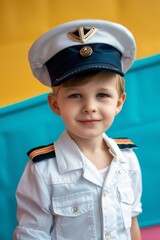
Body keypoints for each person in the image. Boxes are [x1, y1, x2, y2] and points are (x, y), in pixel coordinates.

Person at [13, 19, 142, 240]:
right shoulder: (43, 171)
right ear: (55, 104)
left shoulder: (127, 158)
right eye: (75, 95)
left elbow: (131, 220)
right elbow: (32, 234)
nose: (90, 107)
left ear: (119, 103)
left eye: (102, 95)